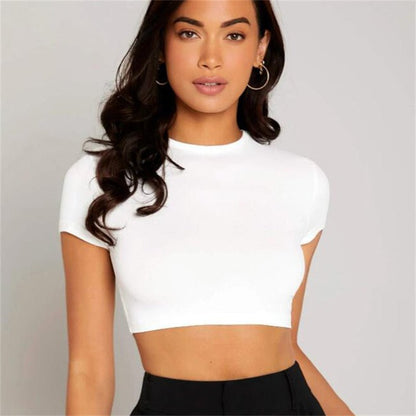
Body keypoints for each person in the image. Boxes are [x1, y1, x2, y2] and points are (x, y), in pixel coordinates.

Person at [58, 0, 355, 415]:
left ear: (260, 48)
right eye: (189, 33)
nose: (211, 58)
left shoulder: (303, 181)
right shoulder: (101, 180)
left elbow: (286, 344)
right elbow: (88, 370)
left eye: (234, 35)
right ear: (161, 45)